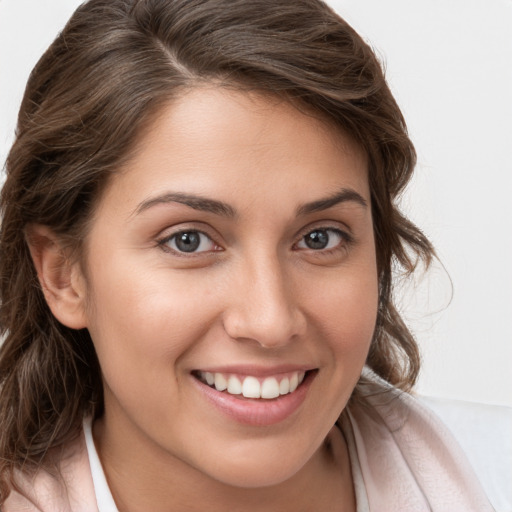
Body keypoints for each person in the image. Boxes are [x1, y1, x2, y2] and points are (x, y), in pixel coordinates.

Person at [0, 0, 494, 510]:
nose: (270, 321)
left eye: (320, 237)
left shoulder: (482, 472)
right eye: (187, 240)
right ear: (64, 275)